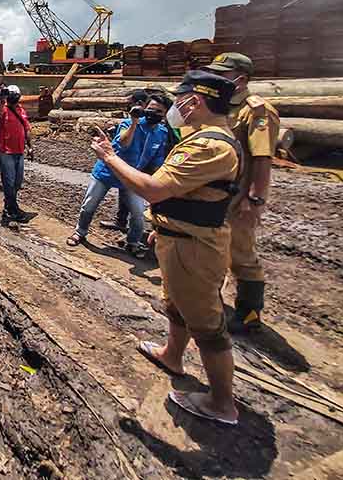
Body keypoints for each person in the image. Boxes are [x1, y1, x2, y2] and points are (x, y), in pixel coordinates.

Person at [90, 70, 242, 426]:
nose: (177, 108)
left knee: (206, 323)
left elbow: (154, 188)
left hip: (196, 248)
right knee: (177, 305)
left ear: (196, 102)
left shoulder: (211, 146)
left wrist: (109, 157)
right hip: (180, 239)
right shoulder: (199, 138)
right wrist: (163, 227)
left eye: (181, 101)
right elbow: (186, 194)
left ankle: (222, 402)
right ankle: (172, 355)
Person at [203, 52, 280, 333]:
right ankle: (211, 304)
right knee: (212, 249)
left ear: (241, 79)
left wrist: (255, 199)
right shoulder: (221, 106)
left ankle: (249, 314)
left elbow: (262, 158)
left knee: (241, 253)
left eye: (221, 74)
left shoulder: (257, 111)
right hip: (217, 193)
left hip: (239, 197)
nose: (214, 78)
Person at [67, 94, 170, 257]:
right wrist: (135, 122)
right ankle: (80, 232)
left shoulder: (162, 133)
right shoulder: (128, 124)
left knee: (138, 213)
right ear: (144, 108)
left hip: (132, 177)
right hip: (106, 172)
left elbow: (157, 160)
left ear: (165, 115)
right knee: (89, 205)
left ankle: (133, 242)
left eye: (159, 111)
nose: (153, 113)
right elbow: (123, 143)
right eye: (150, 109)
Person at [0, 85, 36, 227]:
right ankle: (12, 210)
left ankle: (8, 205)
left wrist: (30, 147)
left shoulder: (21, 110)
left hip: (19, 151)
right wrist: (1, 102)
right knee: (9, 182)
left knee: (17, 182)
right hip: (6, 151)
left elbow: (27, 129)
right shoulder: (3, 109)